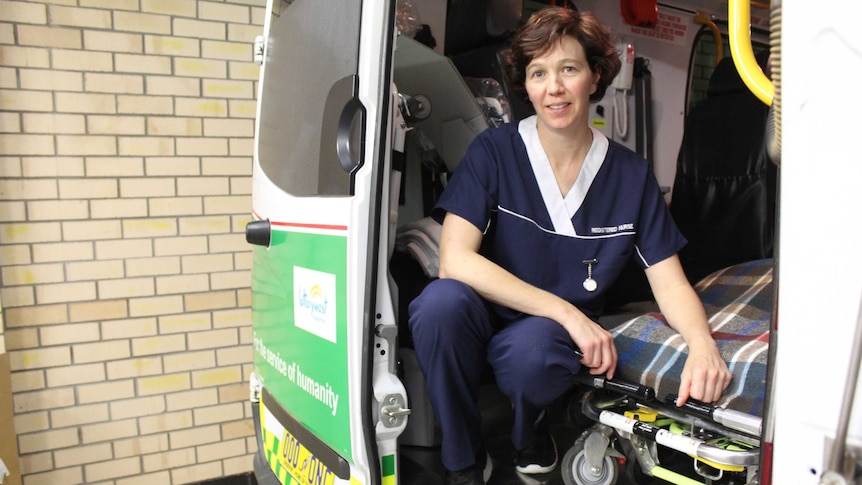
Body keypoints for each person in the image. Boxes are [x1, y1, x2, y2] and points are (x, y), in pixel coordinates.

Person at [408, 7, 733, 485]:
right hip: (488, 307)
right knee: (437, 305)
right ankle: (464, 460)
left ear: (594, 75)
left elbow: (669, 282)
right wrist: (570, 314)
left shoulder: (631, 175)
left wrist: (703, 348)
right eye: (538, 73)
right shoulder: (493, 152)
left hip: (543, 337)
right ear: (526, 84)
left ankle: (530, 433)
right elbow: (455, 260)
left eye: (568, 69)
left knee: (534, 357)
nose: (553, 88)